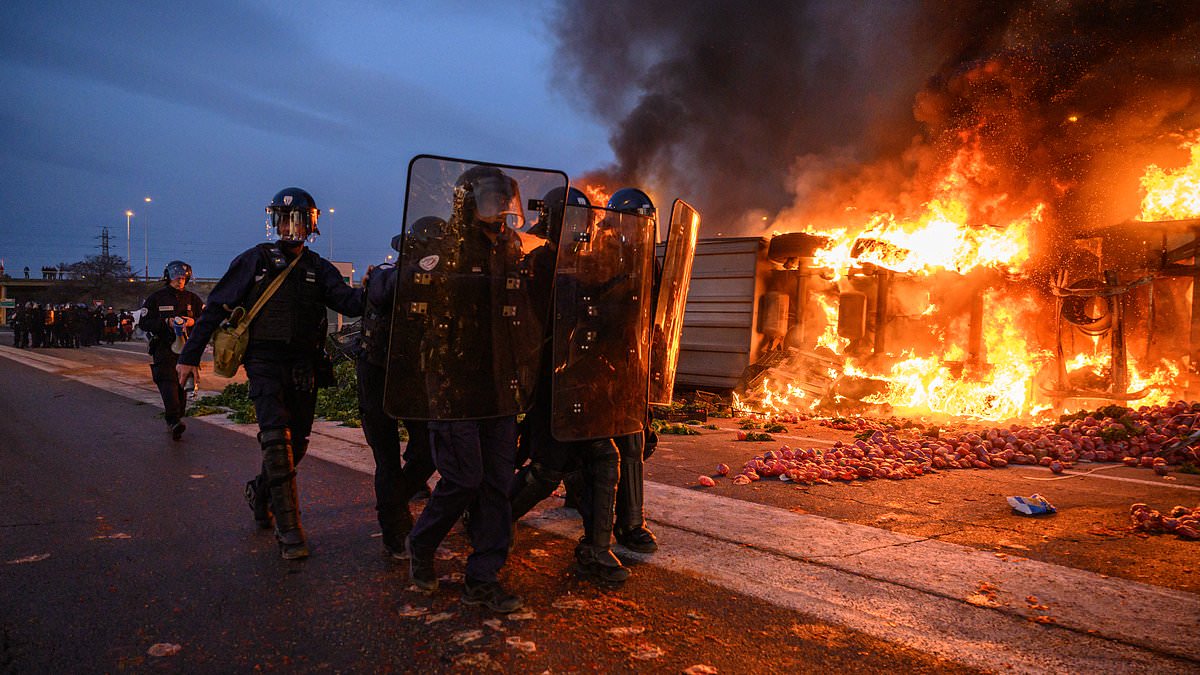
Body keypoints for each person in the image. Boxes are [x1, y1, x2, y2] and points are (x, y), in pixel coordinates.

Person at [176, 187, 364, 560]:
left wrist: (380, 286)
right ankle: (290, 531)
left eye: (297, 220)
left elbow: (349, 303)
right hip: (263, 362)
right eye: (283, 219)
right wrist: (189, 356)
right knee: (276, 439)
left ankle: (260, 492)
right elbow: (215, 308)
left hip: (306, 365)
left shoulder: (318, 268)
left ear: (310, 225)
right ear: (274, 222)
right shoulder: (254, 260)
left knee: (299, 445)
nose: (289, 227)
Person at [400, 165, 533, 612]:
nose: (500, 207)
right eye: (491, 197)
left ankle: (483, 575)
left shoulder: (511, 247)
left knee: (498, 482)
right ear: (467, 200)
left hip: (499, 385)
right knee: (463, 478)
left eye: (504, 198)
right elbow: (411, 303)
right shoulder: (445, 247)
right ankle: (421, 544)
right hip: (455, 383)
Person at [508, 186, 631, 584]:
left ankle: (596, 551)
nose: (581, 231)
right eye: (573, 222)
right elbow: (529, 332)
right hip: (550, 386)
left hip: (583, 383)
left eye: (585, 223)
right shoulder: (537, 265)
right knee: (547, 470)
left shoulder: (586, 266)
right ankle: (491, 522)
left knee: (604, 457)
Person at [355, 228, 439, 560]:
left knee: (430, 449)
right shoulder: (387, 276)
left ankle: (395, 499)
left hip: (414, 377)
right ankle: (395, 531)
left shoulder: (439, 283)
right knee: (386, 457)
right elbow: (382, 291)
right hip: (377, 375)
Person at [139, 261, 204, 440]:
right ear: (168, 277)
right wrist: (165, 323)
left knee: (182, 386)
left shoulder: (193, 299)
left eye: (183, 278)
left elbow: (205, 320)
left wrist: (193, 322)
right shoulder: (156, 298)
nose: (180, 281)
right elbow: (144, 323)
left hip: (186, 351)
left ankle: (177, 416)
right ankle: (173, 420)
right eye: (177, 278)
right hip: (163, 348)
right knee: (168, 384)